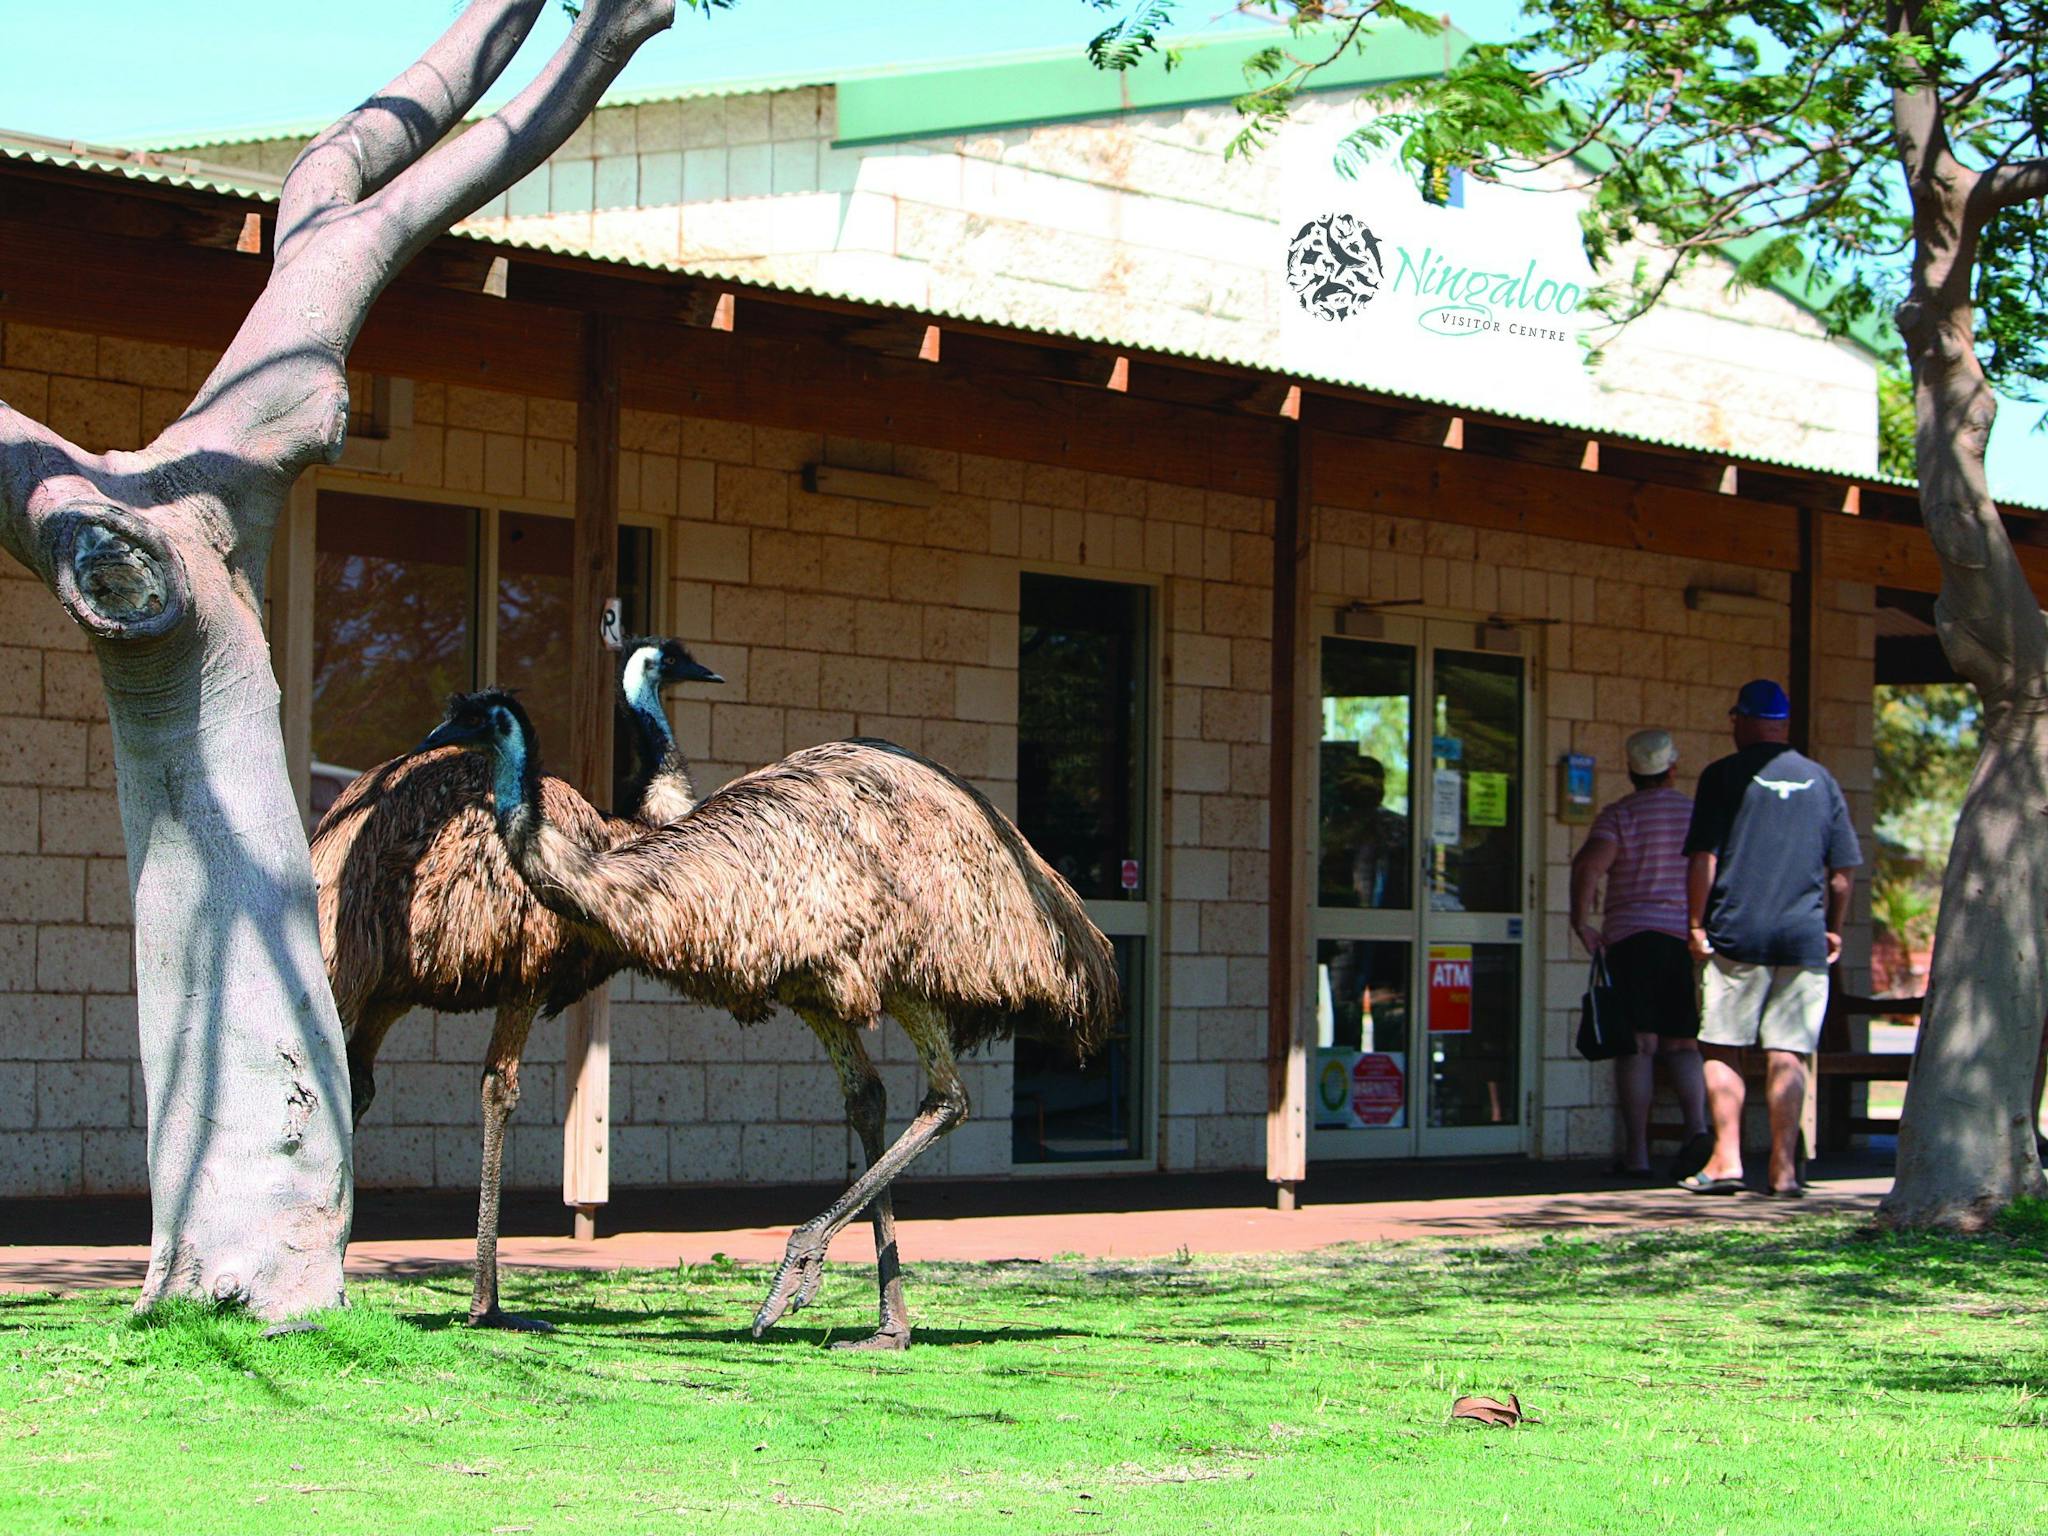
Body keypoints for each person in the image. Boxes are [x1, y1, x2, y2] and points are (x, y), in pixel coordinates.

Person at [1681, 679, 1861, 1196]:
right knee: (1789, 1050)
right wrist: (1833, 928)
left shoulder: (1723, 775)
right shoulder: (1820, 779)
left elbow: (1704, 858)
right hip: (1803, 936)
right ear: (1782, 724)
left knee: (1721, 1045)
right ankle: (1783, 1170)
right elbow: (1843, 870)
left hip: (1737, 932)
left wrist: (1696, 924)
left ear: (1740, 718)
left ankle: (1726, 1160)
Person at [1569, 729, 1712, 1179]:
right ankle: (1698, 1133)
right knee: (1684, 1043)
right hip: (1681, 939)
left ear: (1631, 771)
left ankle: (1638, 1155)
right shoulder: (1695, 814)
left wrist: (1581, 920)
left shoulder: (1619, 815)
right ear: (1673, 766)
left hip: (1630, 940)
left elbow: (1588, 865)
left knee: (1638, 1047)